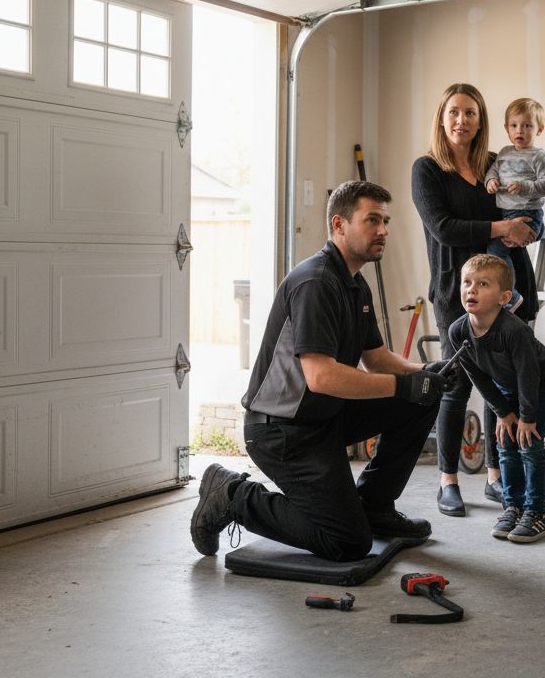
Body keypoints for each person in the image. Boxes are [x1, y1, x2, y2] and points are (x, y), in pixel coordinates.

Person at [189, 181, 456, 562]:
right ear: (339, 224)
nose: (383, 230)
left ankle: (375, 506)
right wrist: (405, 385)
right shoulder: (316, 282)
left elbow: (377, 360)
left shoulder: (354, 284)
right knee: (346, 542)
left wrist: (428, 372)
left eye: (386, 221)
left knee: (423, 397)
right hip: (282, 431)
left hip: (324, 416)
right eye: (372, 220)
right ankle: (232, 495)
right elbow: (322, 377)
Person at [411, 83, 539, 518]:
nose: (461, 120)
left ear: (481, 120)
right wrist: (502, 229)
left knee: (500, 386)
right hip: (457, 293)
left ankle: (494, 475)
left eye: (470, 112)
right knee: (457, 385)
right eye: (454, 112)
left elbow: (522, 207)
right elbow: (444, 227)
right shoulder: (427, 169)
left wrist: (525, 227)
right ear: (441, 118)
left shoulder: (493, 164)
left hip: (506, 287)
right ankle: (448, 479)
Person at [448, 254, 545, 543]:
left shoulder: (515, 330)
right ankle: (513, 506)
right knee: (505, 445)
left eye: (483, 284)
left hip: (539, 383)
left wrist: (527, 417)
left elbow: (528, 375)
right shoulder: (458, 331)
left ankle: (536, 513)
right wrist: (502, 411)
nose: (471, 289)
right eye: (467, 283)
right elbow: (477, 376)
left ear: (504, 297)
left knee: (529, 445)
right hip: (505, 385)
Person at [485, 98, 545, 313]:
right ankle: (509, 294)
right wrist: (491, 181)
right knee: (498, 253)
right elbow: (493, 170)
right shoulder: (504, 153)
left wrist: (525, 186)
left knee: (495, 252)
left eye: (527, 126)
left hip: (527, 214)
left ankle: (511, 296)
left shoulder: (539, 156)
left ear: (539, 129)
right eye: (514, 125)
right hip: (506, 214)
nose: (520, 131)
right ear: (507, 128)